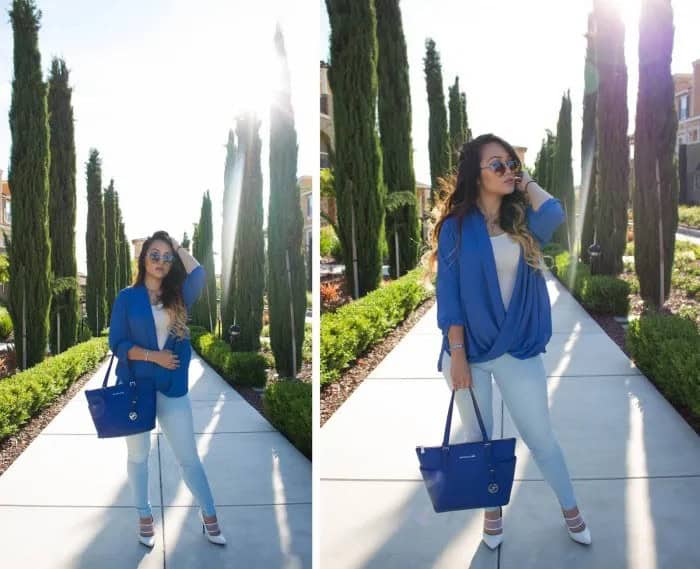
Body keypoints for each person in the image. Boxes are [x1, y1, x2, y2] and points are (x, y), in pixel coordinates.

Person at [423, 134, 591, 549]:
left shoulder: (523, 222)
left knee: (541, 437)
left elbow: (554, 211)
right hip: (468, 353)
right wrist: (457, 354)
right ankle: (492, 513)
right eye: (496, 165)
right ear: (475, 175)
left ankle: (570, 509)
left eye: (510, 164)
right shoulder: (456, 229)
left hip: (516, 346)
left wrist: (526, 179)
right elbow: (450, 297)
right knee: (479, 442)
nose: (506, 171)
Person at [108, 230, 226, 547]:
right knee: (138, 456)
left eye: (166, 256)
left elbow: (199, 274)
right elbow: (116, 343)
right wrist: (153, 356)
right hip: (136, 386)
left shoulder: (178, 296)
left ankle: (209, 515)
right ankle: (144, 516)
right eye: (154, 254)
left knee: (188, 456)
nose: (160, 261)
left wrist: (176, 246)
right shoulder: (126, 297)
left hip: (172, 389)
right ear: (143, 258)